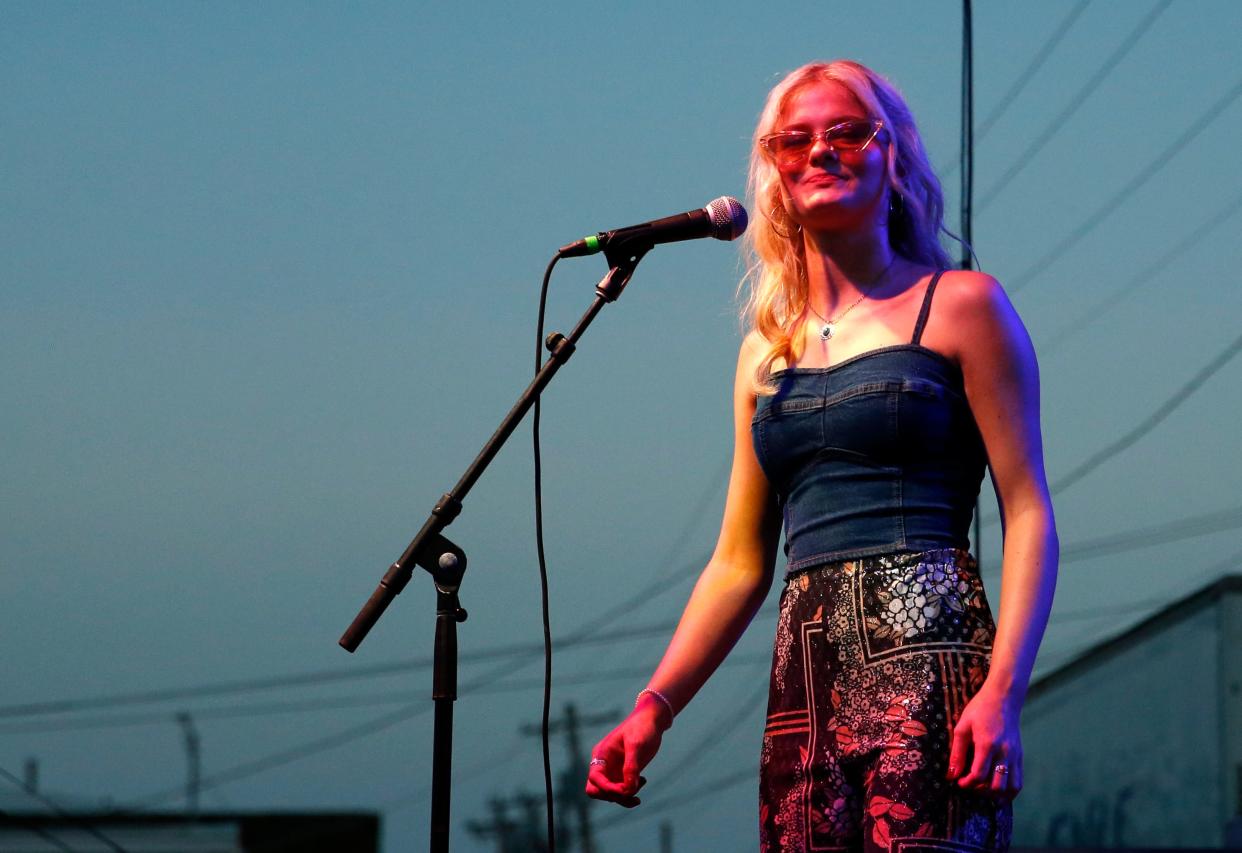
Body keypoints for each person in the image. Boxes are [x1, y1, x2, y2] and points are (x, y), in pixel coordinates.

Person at [585, 59, 1058, 852]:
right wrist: (654, 704)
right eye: (793, 140)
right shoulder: (763, 354)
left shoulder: (964, 305)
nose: (820, 152)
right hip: (805, 681)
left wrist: (1003, 690)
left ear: (892, 155)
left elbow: (1029, 508)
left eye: (847, 132)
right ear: (772, 169)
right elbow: (738, 561)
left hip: (930, 657)